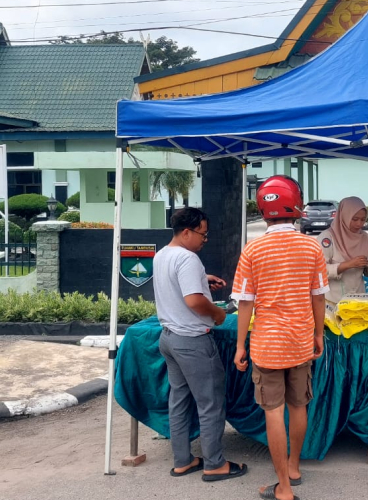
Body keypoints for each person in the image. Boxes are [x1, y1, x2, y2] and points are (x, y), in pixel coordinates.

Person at [232, 175, 328, 500]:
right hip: (301, 341)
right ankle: (294, 467)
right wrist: (318, 334)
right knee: (298, 406)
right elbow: (319, 297)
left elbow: (245, 303)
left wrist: (240, 345)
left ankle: (283, 488)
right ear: (295, 205)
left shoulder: (252, 249)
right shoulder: (311, 246)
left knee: (273, 412)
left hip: (267, 345)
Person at [153, 207, 247, 482]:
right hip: (192, 340)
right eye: (202, 235)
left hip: (168, 338)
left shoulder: (163, 255)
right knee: (210, 403)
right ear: (186, 233)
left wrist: (202, 280)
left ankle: (182, 460)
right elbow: (194, 301)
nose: (205, 240)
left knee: (179, 401)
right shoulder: (187, 258)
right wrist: (217, 313)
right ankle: (215, 463)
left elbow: (176, 284)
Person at [317, 196, 368, 303]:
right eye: (354, 219)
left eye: (363, 219)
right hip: (334, 302)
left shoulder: (364, 237)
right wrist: (347, 265)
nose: (359, 224)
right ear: (344, 216)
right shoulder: (327, 238)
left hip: (359, 301)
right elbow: (319, 271)